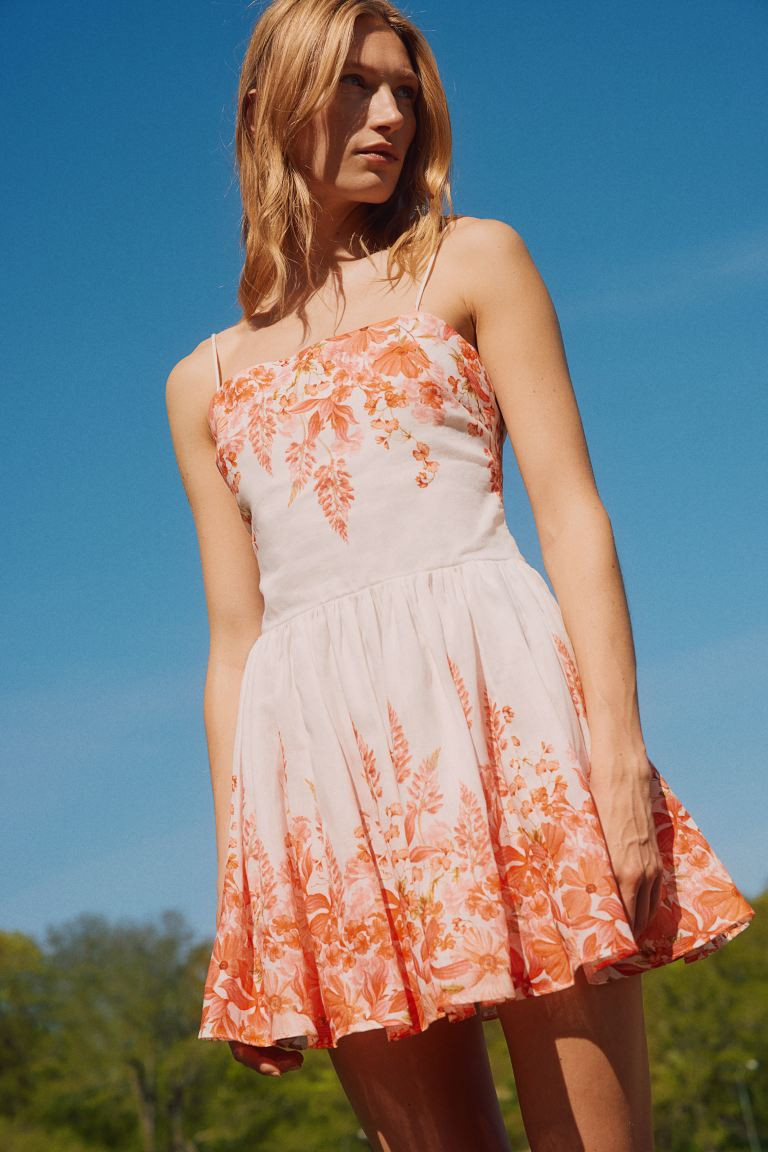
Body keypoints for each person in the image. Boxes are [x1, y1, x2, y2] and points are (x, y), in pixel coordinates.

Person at [165, 2, 755, 1148]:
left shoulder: (473, 261)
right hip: (321, 786)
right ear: (269, 103)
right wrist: (249, 878)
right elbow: (235, 641)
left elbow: (573, 513)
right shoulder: (204, 382)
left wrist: (619, 756)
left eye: (403, 90)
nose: (389, 114)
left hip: (510, 731)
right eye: (355, 86)